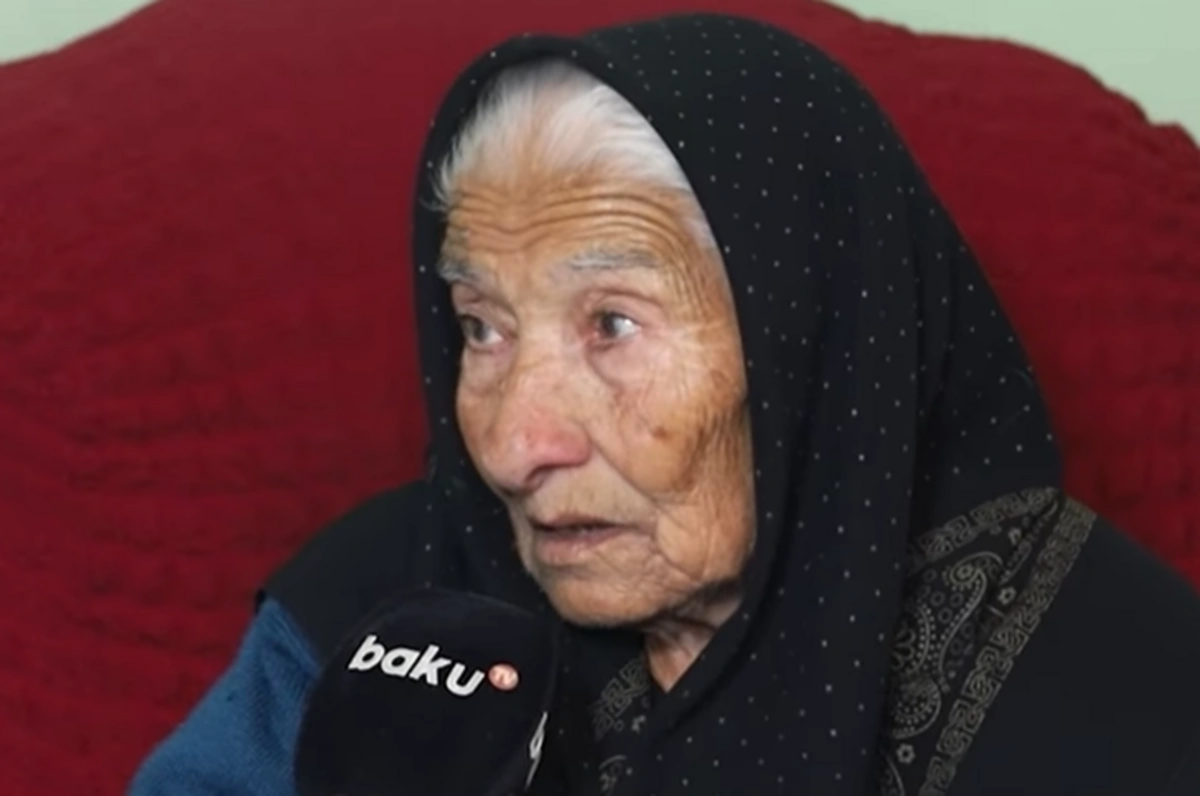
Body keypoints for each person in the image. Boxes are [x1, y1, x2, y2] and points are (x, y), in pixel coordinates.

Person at [129, 11, 1200, 796]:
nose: (512, 446)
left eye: (612, 323)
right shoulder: (377, 613)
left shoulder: (1131, 698)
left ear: (816, 343)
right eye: (481, 328)